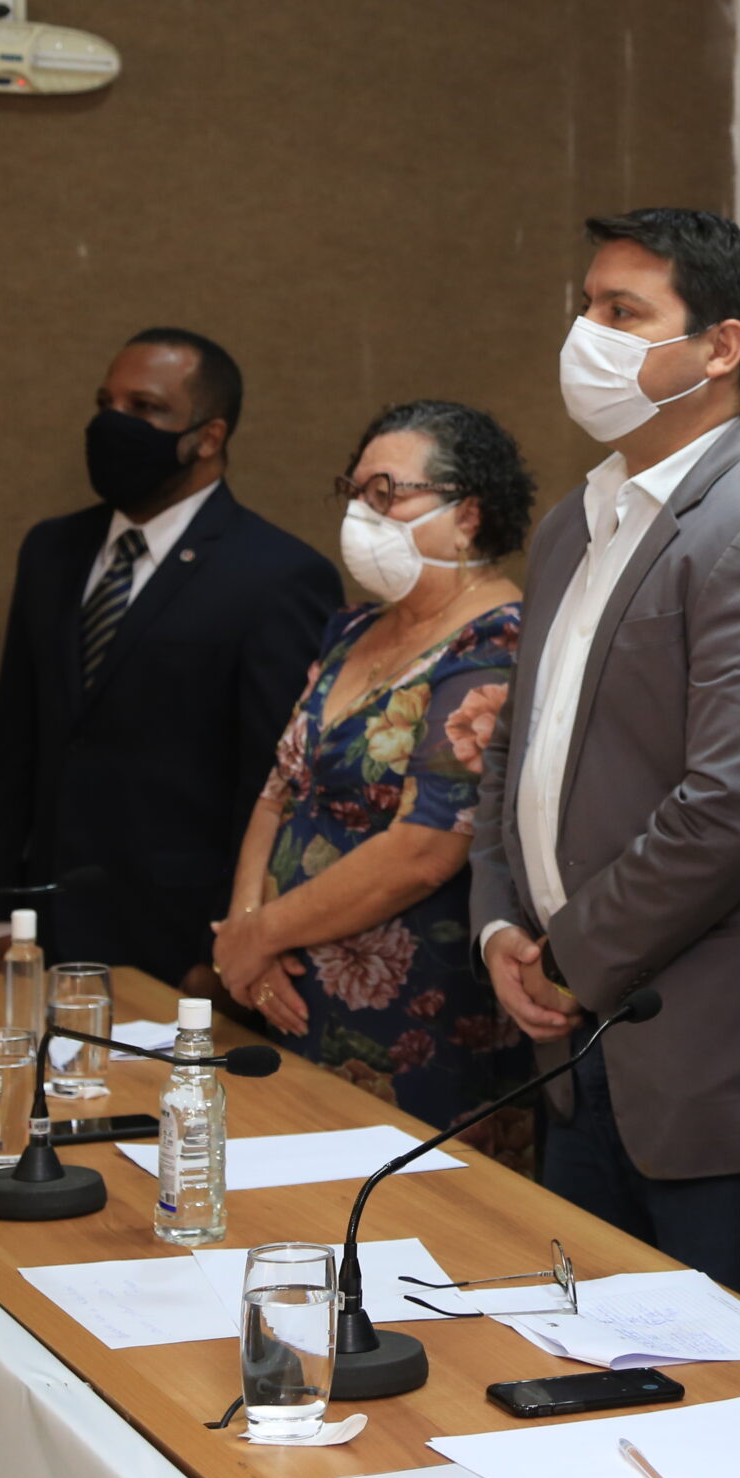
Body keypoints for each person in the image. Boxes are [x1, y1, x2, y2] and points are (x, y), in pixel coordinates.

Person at [470, 209, 740, 1331]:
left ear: (721, 347)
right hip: (570, 1048)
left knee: (724, 1394)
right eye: (586, 306)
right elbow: (516, 751)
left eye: (622, 312)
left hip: (707, 1074)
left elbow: (733, 812)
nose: (584, 335)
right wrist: (500, 928)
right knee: (581, 1378)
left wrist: (568, 955)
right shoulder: (573, 523)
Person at [211, 401, 539, 1161]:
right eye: (355, 491)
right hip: (293, 987)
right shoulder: (355, 627)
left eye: (387, 493)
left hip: (420, 1018)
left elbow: (426, 849)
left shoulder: (495, 641)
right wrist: (245, 933)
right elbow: (280, 787)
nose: (362, 513)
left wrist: (259, 935)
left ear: (468, 515)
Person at [0, 328, 340, 989]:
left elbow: (275, 782)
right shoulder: (51, 551)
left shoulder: (278, 575)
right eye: (105, 404)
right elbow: (14, 741)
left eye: (144, 408)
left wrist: (226, 948)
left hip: (179, 940)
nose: (112, 424)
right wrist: (0, 914)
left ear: (209, 436)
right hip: (45, 927)